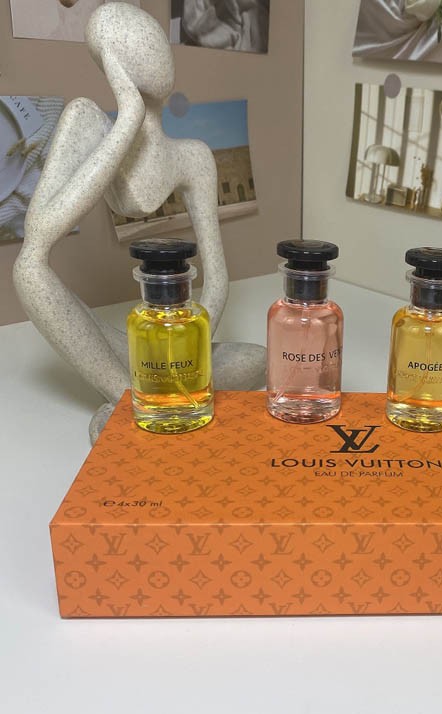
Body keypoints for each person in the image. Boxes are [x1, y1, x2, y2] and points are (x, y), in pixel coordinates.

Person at [13, 2, 264, 441]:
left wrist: (183, 351)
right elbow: (39, 237)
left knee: (257, 358)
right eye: (130, 43)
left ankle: (149, 393)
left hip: (169, 339)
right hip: (127, 343)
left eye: (155, 41)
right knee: (27, 270)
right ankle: (131, 400)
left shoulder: (192, 156)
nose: (155, 53)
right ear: (112, 61)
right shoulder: (88, 122)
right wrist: (127, 116)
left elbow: (217, 280)